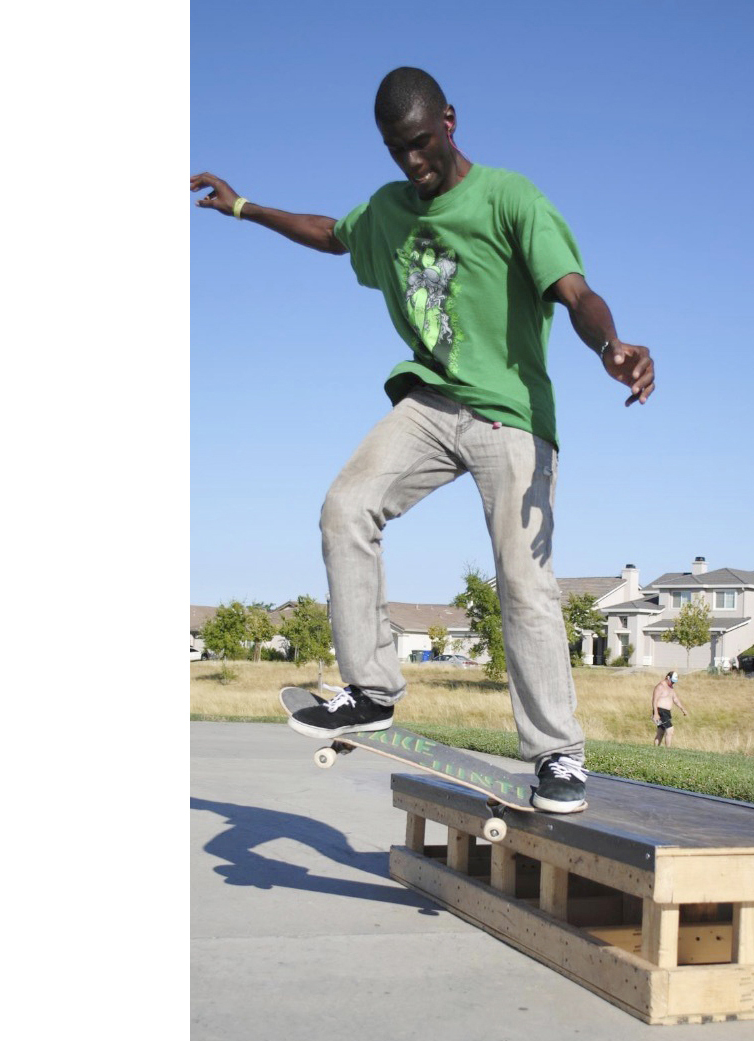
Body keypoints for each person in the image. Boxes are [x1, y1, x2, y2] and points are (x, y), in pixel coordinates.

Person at [190, 67, 654, 814]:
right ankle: (371, 691)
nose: (413, 163)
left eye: (420, 144)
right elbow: (330, 235)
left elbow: (575, 291)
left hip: (510, 415)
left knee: (521, 579)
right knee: (345, 507)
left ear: (449, 120)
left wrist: (610, 346)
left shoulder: (509, 197)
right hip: (432, 404)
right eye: (395, 150)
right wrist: (242, 207)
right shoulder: (388, 211)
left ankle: (557, 754)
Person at [650, 671, 689, 747]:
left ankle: (655, 749)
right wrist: (656, 713)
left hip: (667, 712)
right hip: (660, 711)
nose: (673, 683)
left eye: (674, 682)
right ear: (668, 678)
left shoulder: (671, 687)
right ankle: (668, 751)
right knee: (670, 730)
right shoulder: (660, 686)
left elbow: (675, 699)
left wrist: (682, 709)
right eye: (672, 681)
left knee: (660, 732)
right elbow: (654, 700)